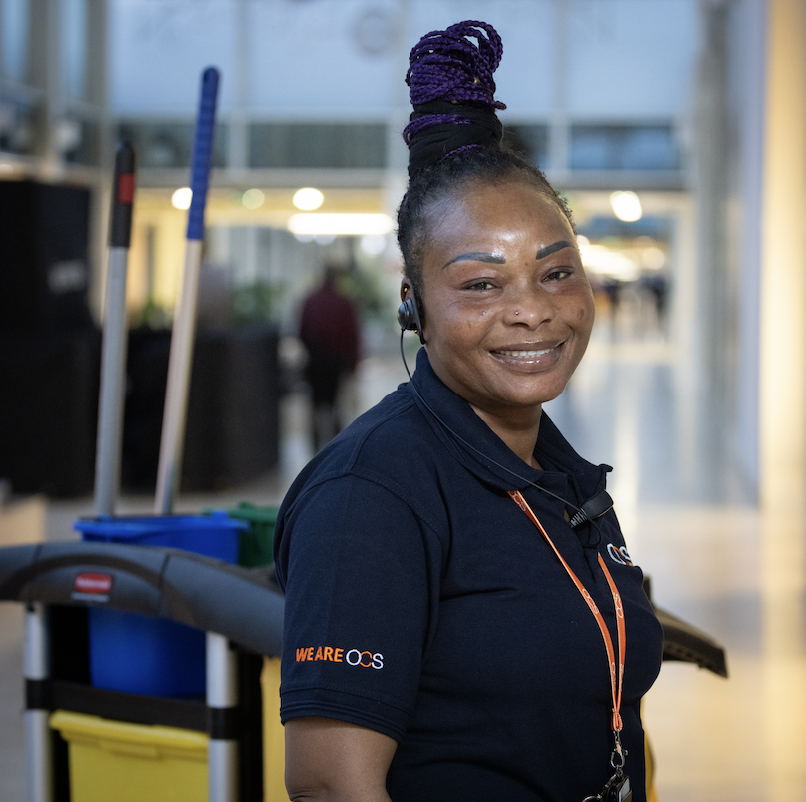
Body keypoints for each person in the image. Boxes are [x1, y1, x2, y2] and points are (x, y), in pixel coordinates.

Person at [274, 20, 663, 802]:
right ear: (413, 305)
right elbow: (330, 787)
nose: (533, 312)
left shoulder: (553, 470)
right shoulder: (372, 496)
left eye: (556, 273)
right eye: (481, 284)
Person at [298, 264, 361, 451]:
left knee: (316, 404)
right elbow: (352, 335)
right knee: (335, 404)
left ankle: (315, 445)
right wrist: (352, 361)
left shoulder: (310, 300)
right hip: (337, 361)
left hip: (315, 360)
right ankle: (335, 445)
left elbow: (301, 332)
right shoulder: (344, 303)